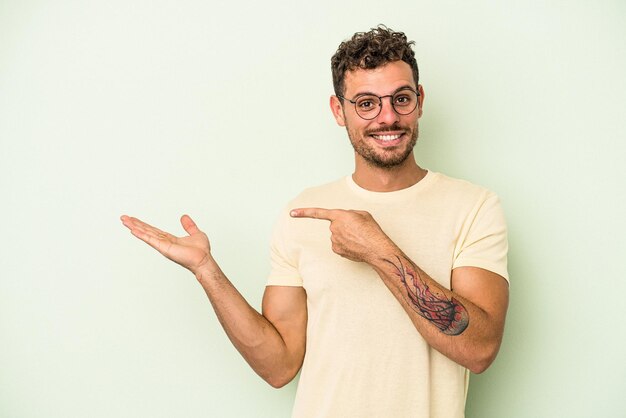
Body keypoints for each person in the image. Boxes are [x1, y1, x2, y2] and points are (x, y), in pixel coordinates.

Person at [121, 25, 509, 418]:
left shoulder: (473, 207)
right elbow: (279, 366)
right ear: (338, 110)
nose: (388, 117)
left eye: (401, 99)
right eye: (367, 103)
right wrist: (207, 271)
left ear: (420, 101)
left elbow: (478, 349)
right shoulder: (303, 213)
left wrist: (377, 249)